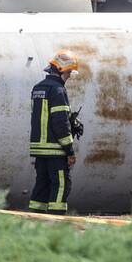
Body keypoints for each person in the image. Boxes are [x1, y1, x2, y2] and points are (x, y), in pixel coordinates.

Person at [28, 50, 81, 214]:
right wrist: (69, 150)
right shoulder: (58, 90)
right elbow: (59, 122)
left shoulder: (38, 88)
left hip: (39, 149)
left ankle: (34, 221)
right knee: (61, 185)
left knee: (41, 186)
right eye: (69, 72)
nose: (70, 76)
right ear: (60, 70)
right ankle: (55, 222)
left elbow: (41, 117)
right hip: (55, 150)